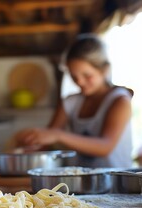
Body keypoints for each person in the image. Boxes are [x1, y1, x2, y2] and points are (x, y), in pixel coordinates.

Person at [15, 34, 133, 168]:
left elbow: (105, 147)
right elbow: (47, 142)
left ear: (104, 70)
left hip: (117, 184)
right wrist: (29, 144)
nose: (80, 82)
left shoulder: (119, 101)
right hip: (82, 183)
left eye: (87, 76)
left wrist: (58, 135)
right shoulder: (70, 102)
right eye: (74, 76)